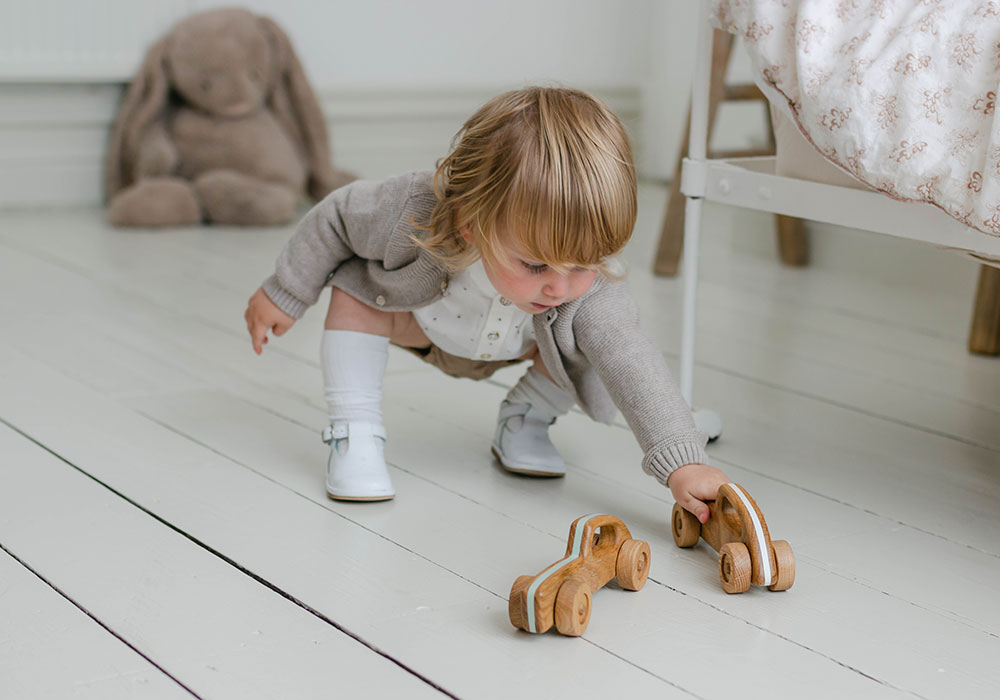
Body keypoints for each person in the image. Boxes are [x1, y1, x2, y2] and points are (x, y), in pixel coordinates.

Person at [244, 86, 729, 522]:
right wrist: (286, 291)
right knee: (354, 296)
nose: (559, 287)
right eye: (536, 266)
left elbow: (633, 363)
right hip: (418, 322)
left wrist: (683, 462)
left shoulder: (589, 291)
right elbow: (334, 218)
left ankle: (525, 418)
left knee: (596, 346)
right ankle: (356, 432)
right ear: (470, 223)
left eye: (584, 264)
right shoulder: (411, 208)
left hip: (524, 345)